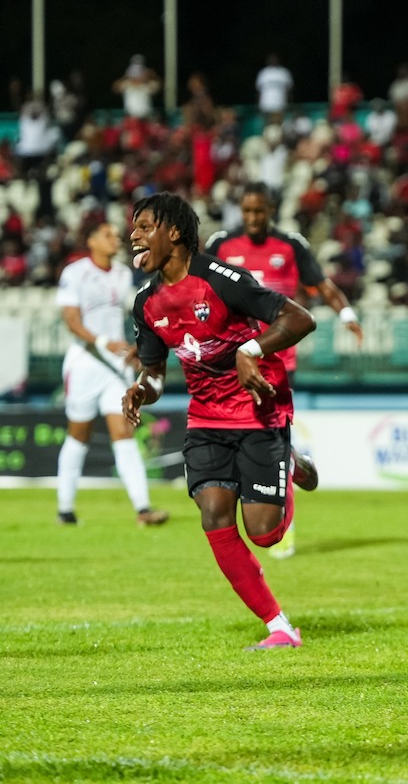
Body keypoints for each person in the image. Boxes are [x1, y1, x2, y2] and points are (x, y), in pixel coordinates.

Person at [122, 192, 318, 650]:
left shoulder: (222, 279)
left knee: (265, 533)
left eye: (144, 225)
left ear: (174, 232)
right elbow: (154, 374)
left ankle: (290, 462)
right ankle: (280, 627)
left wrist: (250, 351)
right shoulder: (146, 303)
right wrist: (140, 390)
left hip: (257, 408)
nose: (134, 235)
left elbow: (299, 317)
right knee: (213, 515)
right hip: (206, 417)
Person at [205, 181, 363, 558]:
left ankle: (283, 521)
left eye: (259, 211)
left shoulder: (290, 245)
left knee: (266, 438)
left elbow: (321, 286)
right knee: (250, 439)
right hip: (230, 355)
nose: (253, 218)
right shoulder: (221, 245)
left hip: (275, 359)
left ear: (271, 210)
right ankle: (290, 463)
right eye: (247, 211)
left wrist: (347, 313)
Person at [54, 220, 169, 527]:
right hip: (85, 363)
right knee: (79, 434)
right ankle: (65, 508)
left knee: (124, 432)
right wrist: (105, 343)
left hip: (115, 367)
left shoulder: (121, 274)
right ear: (90, 240)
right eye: (106, 234)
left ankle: (143, 509)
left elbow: (138, 314)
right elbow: (71, 320)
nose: (115, 239)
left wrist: (135, 347)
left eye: (116, 235)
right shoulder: (74, 273)